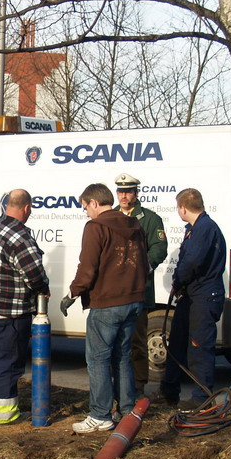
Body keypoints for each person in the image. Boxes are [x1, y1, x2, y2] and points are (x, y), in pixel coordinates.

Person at [60, 183, 147, 433]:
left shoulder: (96, 227)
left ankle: (100, 415)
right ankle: (127, 410)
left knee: (98, 360)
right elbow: (143, 263)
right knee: (122, 356)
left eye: (85, 207)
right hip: (132, 300)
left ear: (95, 203)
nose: (85, 212)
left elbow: (87, 267)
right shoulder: (135, 225)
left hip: (107, 303)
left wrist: (72, 293)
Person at [0, 189, 50, 425]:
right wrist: (42, 289)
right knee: (8, 362)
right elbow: (34, 274)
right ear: (26, 208)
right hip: (11, 310)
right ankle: (5, 414)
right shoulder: (20, 236)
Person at [160, 188, 227, 409]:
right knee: (177, 343)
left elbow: (192, 262)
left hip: (204, 296)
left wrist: (178, 281)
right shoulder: (195, 229)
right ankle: (169, 392)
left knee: (199, 348)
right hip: (191, 296)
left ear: (183, 208)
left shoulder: (205, 229)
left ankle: (202, 400)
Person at [113, 173, 168, 396]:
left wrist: (143, 266)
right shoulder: (111, 216)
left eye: (128, 191)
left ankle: (138, 385)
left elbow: (159, 248)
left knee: (136, 341)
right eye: (120, 191)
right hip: (115, 291)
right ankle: (117, 385)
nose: (124, 195)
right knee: (115, 342)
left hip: (138, 290)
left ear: (136, 193)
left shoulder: (150, 219)